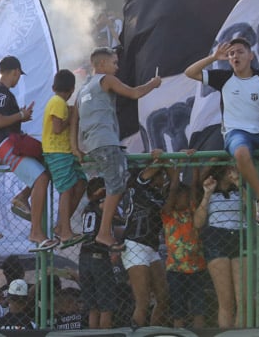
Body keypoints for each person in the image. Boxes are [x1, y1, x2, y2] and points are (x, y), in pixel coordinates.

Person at [185, 37, 259, 251]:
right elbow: (190, 72)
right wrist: (214, 57)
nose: (235, 56)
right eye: (231, 53)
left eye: (240, 52)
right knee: (241, 153)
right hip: (235, 133)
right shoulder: (223, 78)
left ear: (251, 55)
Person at [70, 46, 161, 250]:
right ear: (101, 64)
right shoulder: (107, 79)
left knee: (116, 183)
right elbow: (135, 93)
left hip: (93, 144)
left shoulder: (84, 87)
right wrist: (154, 84)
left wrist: (75, 147)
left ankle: (105, 228)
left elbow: (74, 119)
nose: (117, 67)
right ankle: (104, 233)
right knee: (117, 186)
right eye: (114, 63)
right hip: (106, 141)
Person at [0, 55, 55, 251]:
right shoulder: (1, 91)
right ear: (15, 72)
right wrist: (21, 115)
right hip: (4, 144)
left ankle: (22, 197)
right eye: (18, 75)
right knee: (41, 178)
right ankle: (36, 232)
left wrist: (18, 117)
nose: (18, 79)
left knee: (45, 167)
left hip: (4, 143)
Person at [119, 151, 171, 327]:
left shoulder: (158, 195)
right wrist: (160, 158)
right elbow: (152, 170)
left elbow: (168, 207)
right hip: (135, 245)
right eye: (161, 175)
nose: (163, 178)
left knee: (163, 297)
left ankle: (152, 331)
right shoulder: (137, 184)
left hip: (152, 248)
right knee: (142, 301)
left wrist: (171, 166)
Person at [194, 163, 245, 328]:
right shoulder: (209, 194)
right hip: (217, 239)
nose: (233, 171)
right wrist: (207, 193)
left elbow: (254, 211)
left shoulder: (242, 191)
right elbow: (198, 222)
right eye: (229, 169)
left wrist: (240, 184)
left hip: (240, 237)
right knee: (226, 302)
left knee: (242, 301)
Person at [42, 69, 87, 247]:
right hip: (56, 152)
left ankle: (62, 226)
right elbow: (57, 129)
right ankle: (65, 231)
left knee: (81, 182)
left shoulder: (58, 102)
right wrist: (72, 117)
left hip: (65, 152)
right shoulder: (57, 102)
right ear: (71, 89)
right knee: (66, 190)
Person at [162, 174, 207, 329]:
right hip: (176, 270)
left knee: (198, 308)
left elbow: (194, 185)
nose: (185, 200)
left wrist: (194, 166)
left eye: (187, 197)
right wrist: (178, 170)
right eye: (182, 197)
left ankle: (198, 332)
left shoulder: (192, 211)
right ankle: (179, 332)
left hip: (196, 268)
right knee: (178, 310)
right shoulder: (168, 214)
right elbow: (173, 190)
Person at [78, 177, 115, 329]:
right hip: (99, 256)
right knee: (106, 306)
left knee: (92, 306)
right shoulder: (103, 205)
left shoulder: (87, 208)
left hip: (84, 256)